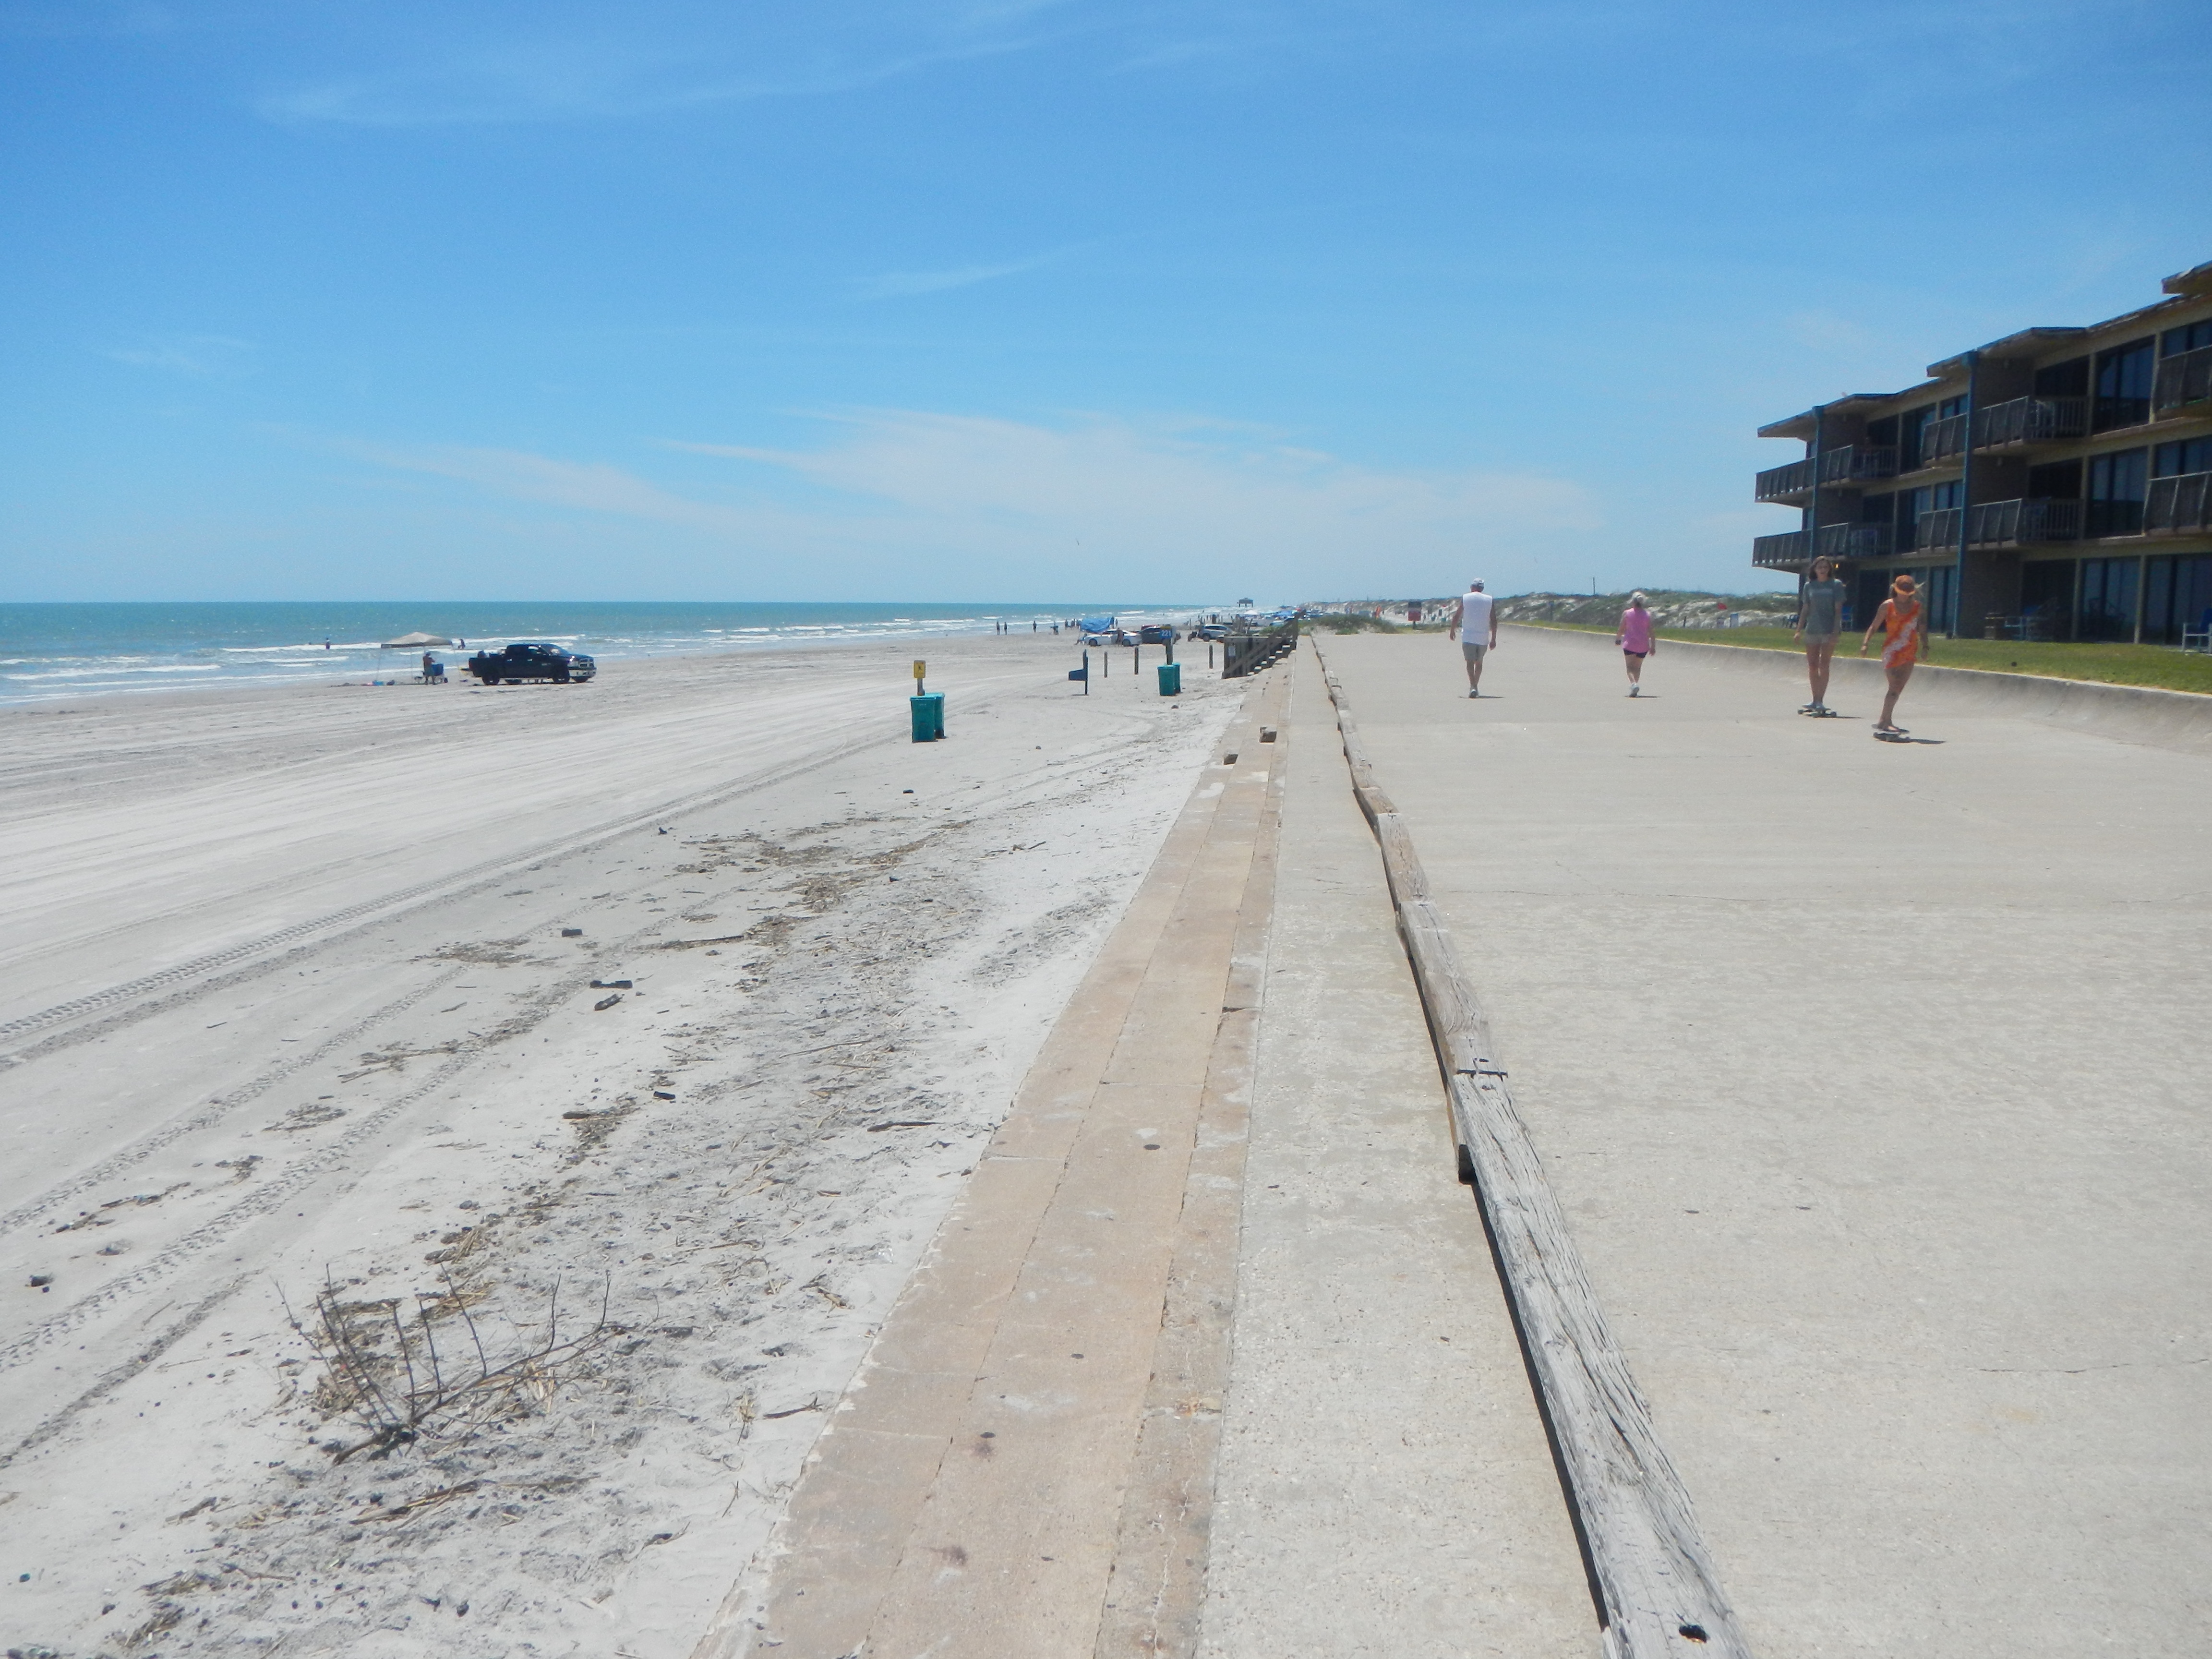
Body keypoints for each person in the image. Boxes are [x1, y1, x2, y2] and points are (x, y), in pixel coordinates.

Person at [1860, 573, 1927, 736]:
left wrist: (1926, 647)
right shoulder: (1887, 606)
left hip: (1910, 650)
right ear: (1895, 590)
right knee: (1894, 685)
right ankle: (1885, 720)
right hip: (1892, 650)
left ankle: (1885, 719)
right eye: (1902, 593)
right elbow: (1874, 626)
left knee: (1898, 688)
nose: (1905, 597)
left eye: (1908, 594)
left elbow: (1923, 629)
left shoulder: (1918, 608)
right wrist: (1865, 643)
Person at [1794, 555, 1847, 714]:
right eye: (1820, 568)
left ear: (1829, 569)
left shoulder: (1836, 585)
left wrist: (1836, 629)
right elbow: (1805, 609)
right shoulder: (1809, 586)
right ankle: (1814, 698)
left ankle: (1821, 700)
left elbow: (1838, 609)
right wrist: (1798, 630)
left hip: (1828, 629)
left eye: (1825, 567)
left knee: (1824, 665)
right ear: (1815, 569)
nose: (1823, 570)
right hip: (1812, 629)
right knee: (1812, 665)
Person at [1451, 580, 1496, 697]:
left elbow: (1457, 615)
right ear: (1482, 588)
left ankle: (1473, 686)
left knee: (1470, 662)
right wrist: (1494, 639)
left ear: (1472, 587)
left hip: (1468, 635)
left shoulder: (1466, 598)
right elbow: (1494, 620)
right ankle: (1474, 686)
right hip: (1483, 636)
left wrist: (1452, 630)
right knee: (1479, 662)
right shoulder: (1489, 599)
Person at [1615, 592, 1656, 695]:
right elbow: (1651, 631)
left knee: (1630, 668)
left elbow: (1622, 628)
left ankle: (1634, 684)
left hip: (1630, 644)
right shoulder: (1647, 614)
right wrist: (1653, 646)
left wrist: (1618, 639)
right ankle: (1635, 687)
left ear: (1633, 602)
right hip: (1643, 645)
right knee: (1638, 667)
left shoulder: (1627, 613)